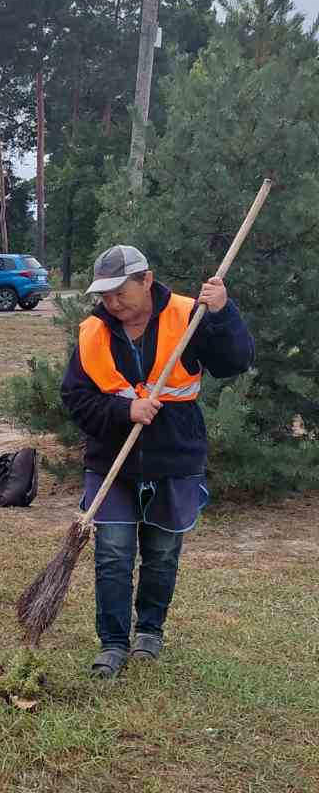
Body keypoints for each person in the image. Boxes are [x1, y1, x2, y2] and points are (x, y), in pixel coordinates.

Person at [61, 243, 253, 679]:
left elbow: (236, 361)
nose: (111, 303)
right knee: (112, 553)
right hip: (112, 459)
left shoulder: (191, 315)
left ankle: (149, 632)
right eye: (104, 295)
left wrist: (223, 313)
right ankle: (112, 643)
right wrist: (123, 411)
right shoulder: (93, 331)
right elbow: (75, 399)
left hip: (175, 457)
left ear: (146, 280)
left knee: (163, 553)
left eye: (119, 293)